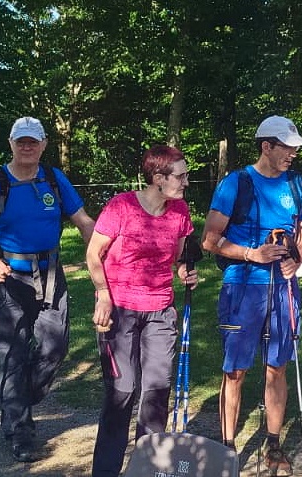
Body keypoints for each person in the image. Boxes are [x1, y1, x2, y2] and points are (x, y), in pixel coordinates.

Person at [0, 116, 96, 462]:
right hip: (10, 278)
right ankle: (20, 432)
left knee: (55, 347)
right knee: (13, 355)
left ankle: (19, 398)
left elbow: (84, 222)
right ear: (11, 143)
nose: (26, 147)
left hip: (51, 275)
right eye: (21, 141)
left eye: (32, 142)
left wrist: (101, 260)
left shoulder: (53, 178)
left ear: (43, 145)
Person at [200, 115, 302, 477]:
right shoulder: (236, 183)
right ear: (267, 146)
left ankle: (273, 443)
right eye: (287, 148)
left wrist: (296, 260)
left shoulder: (298, 184)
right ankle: (227, 447)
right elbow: (210, 240)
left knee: (277, 366)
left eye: (296, 148)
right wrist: (252, 254)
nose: (293, 154)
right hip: (242, 286)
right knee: (235, 369)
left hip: (283, 288)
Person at [85, 145, 198, 477]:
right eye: (181, 176)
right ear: (159, 178)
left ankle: (146, 469)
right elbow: (93, 254)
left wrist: (184, 272)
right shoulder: (121, 206)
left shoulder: (179, 211)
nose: (186, 182)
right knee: (122, 393)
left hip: (160, 310)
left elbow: (178, 257)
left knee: (156, 392)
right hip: (119, 310)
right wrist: (103, 295)